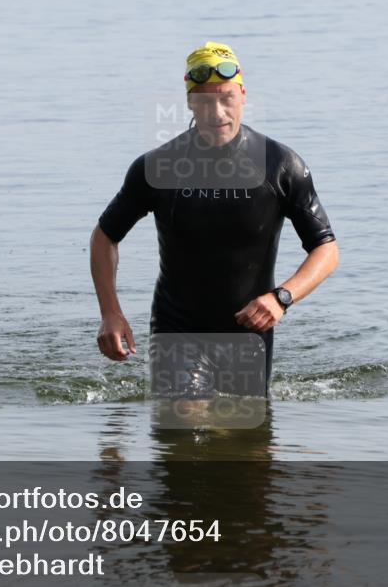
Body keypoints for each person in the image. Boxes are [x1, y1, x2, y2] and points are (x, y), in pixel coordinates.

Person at [90, 41, 339, 398]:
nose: (217, 112)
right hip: (177, 327)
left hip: (250, 332)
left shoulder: (281, 166)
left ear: (243, 95)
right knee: (185, 425)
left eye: (226, 98)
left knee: (248, 448)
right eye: (204, 101)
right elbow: (105, 237)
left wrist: (281, 298)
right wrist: (110, 313)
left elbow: (326, 250)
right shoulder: (158, 167)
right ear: (190, 102)